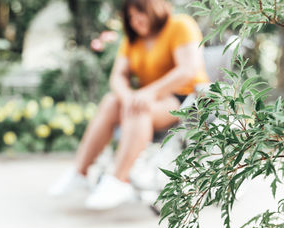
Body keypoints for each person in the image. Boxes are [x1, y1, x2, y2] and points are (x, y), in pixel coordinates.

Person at [48, 0, 209, 210]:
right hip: (146, 99)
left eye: (139, 14)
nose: (135, 21)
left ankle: (119, 179)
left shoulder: (180, 25)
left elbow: (188, 69)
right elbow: (117, 77)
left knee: (138, 107)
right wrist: (127, 97)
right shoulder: (134, 40)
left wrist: (146, 94)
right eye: (131, 17)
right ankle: (81, 171)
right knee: (112, 101)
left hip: (184, 99)